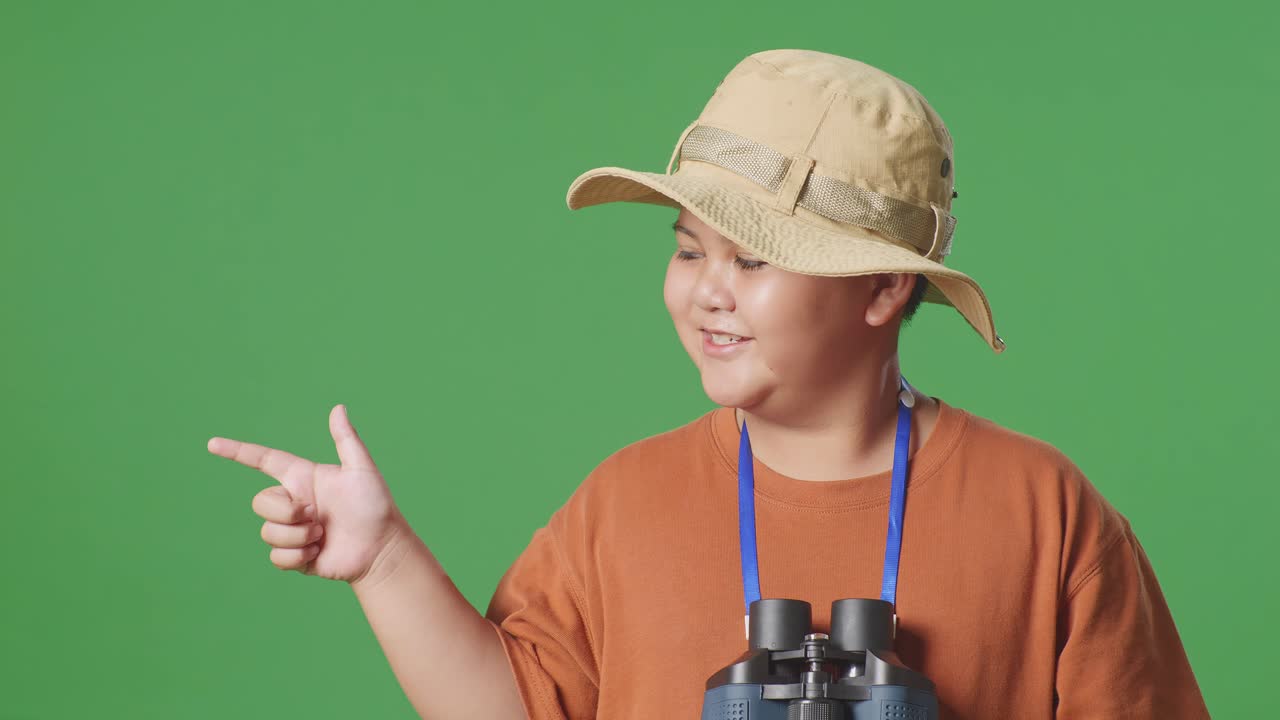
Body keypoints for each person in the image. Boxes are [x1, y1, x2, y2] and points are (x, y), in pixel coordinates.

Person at [207, 49, 1210, 718]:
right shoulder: (624, 503)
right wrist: (380, 559)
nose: (706, 295)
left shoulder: (1043, 514)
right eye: (689, 252)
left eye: (753, 260)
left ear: (881, 289)